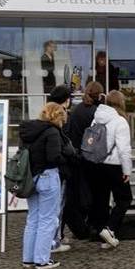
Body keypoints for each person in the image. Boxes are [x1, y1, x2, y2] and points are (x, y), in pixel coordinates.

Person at [19, 102, 75, 269]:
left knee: (33, 219)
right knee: (48, 220)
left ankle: (28, 258)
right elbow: (53, 157)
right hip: (48, 177)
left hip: (31, 177)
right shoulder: (52, 132)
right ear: (57, 117)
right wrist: (66, 159)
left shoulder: (27, 131)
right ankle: (42, 259)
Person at [87, 90, 133, 249]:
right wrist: (127, 170)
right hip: (114, 165)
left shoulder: (96, 119)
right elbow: (124, 150)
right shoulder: (120, 121)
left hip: (96, 164)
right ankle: (110, 228)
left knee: (101, 199)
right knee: (124, 198)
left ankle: (102, 233)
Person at [61, 81, 105, 242]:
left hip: (77, 155)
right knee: (90, 194)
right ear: (99, 95)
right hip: (90, 157)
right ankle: (87, 226)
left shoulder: (77, 109)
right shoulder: (96, 112)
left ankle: (78, 227)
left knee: (77, 194)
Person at [47, 85, 76, 252]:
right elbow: (65, 145)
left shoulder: (44, 115)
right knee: (56, 207)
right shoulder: (62, 119)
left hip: (44, 169)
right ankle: (54, 241)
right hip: (60, 169)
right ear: (66, 100)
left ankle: (52, 239)